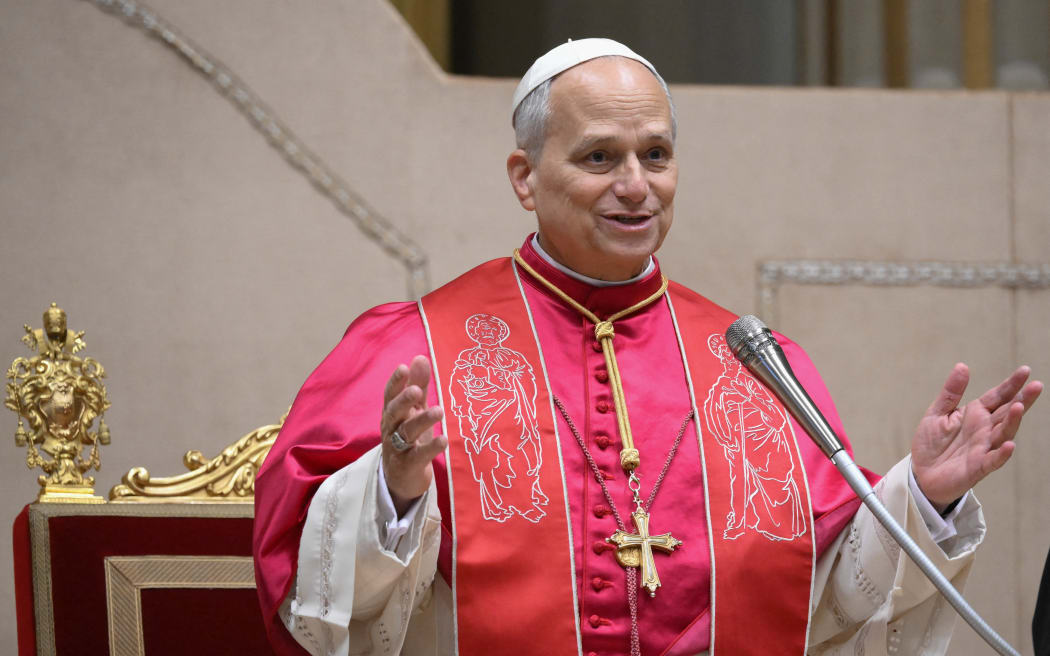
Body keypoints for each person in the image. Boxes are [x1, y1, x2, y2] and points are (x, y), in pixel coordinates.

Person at [253, 39, 1042, 656]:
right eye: (600, 157)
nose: (636, 184)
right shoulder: (415, 345)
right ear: (525, 177)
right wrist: (390, 491)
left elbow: (832, 593)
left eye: (655, 155)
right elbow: (313, 606)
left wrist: (923, 495)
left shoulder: (753, 363)